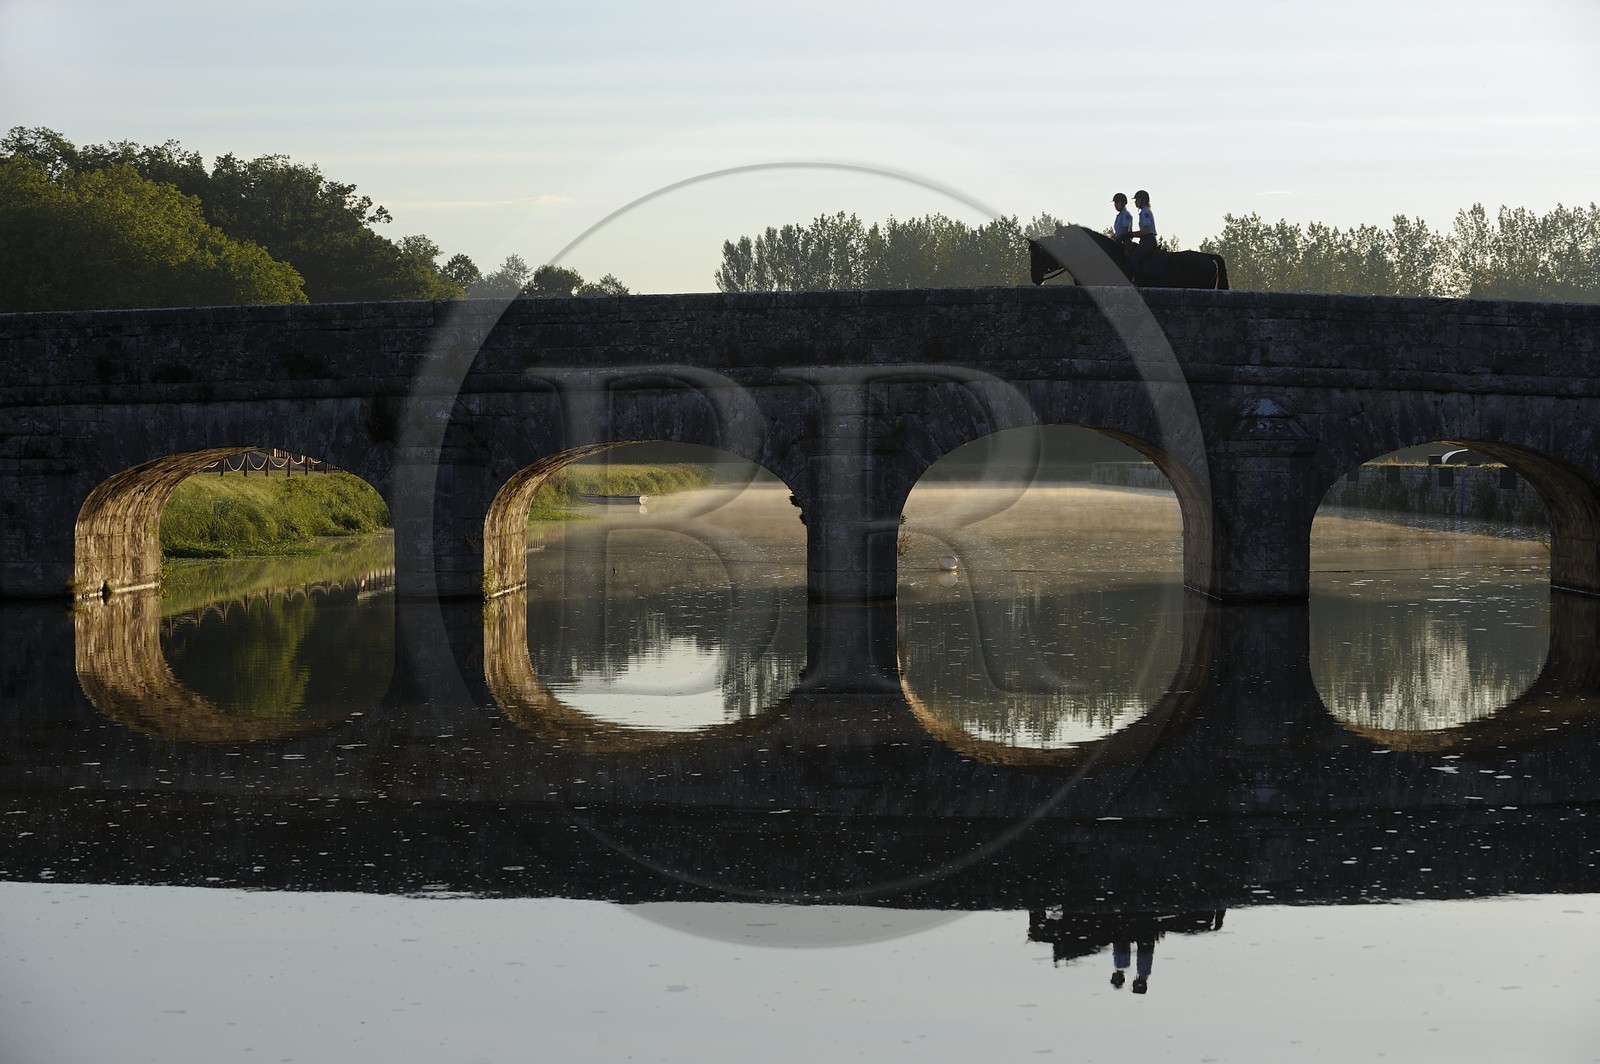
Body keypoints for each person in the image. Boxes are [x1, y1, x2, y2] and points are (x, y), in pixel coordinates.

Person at [1126, 190, 1159, 276]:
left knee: (1133, 259)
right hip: (1145, 240)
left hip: (1148, 241)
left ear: (1143, 200)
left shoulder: (1145, 212)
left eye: (1137, 200)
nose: (1135, 202)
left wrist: (1131, 234)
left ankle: (1140, 280)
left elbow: (1146, 231)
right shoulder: (1144, 212)